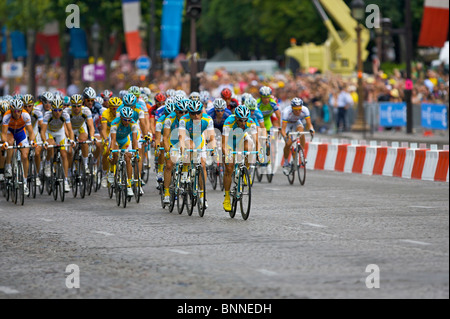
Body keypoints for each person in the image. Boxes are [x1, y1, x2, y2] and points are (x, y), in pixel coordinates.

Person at [178, 100, 216, 209]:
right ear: (188, 113)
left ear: (201, 112)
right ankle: (185, 171)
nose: (196, 115)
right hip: (188, 137)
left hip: (200, 139)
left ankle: (202, 195)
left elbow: (212, 137)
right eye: (193, 113)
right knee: (190, 147)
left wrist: (212, 149)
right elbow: (181, 137)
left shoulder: (207, 119)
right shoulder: (183, 120)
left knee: (203, 165)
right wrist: (183, 151)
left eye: (198, 112)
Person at [221, 105, 258, 212]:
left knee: (249, 147)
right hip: (229, 142)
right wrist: (227, 154)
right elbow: (223, 144)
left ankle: (245, 169)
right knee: (229, 168)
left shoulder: (251, 122)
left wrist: (260, 152)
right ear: (236, 118)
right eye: (240, 120)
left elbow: (257, 141)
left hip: (241, 138)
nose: (243, 123)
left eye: (245, 120)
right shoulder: (229, 122)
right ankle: (227, 197)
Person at [1, 99, 37, 196]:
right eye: (15, 111)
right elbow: (3, 134)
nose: (17, 114)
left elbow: (31, 132)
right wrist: (4, 142)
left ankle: (24, 182)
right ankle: (8, 165)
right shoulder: (7, 116)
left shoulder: (25, 115)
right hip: (10, 132)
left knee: (25, 156)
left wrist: (32, 141)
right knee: (10, 142)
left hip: (21, 133)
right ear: (11, 111)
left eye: (19, 111)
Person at [40, 97, 75, 192]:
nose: (57, 113)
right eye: (55, 110)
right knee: (50, 145)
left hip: (60, 132)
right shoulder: (47, 115)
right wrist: (44, 141)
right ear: (52, 110)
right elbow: (42, 131)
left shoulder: (65, 115)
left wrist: (71, 140)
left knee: (64, 154)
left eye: (60, 110)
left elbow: (70, 130)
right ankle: (47, 163)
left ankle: (66, 180)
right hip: (49, 131)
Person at [161, 99, 189, 203]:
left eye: (186, 112)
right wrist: (168, 151)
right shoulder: (169, 119)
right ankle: (167, 193)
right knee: (169, 165)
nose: (183, 114)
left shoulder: (189, 118)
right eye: (180, 112)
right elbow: (165, 138)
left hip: (185, 141)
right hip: (172, 142)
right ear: (175, 111)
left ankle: (186, 175)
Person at [109, 107, 140, 197]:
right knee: (114, 153)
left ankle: (129, 185)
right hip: (115, 140)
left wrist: (136, 152)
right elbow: (113, 140)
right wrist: (111, 152)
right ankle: (111, 171)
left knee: (128, 158)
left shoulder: (133, 124)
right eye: (125, 120)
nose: (127, 122)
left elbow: (134, 140)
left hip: (125, 140)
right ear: (121, 118)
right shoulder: (115, 123)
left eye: (129, 120)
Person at [280, 98, 315, 176]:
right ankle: (286, 163)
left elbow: (309, 124)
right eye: (295, 109)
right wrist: (286, 138)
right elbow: (283, 129)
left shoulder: (305, 110)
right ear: (292, 108)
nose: (297, 111)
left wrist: (311, 129)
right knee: (288, 143)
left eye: (299, 109)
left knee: (301, 132)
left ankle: (302, 152)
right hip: (287, 124)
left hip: (296, 122)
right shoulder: (286, 112)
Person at [66, 94, 96, 174]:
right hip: (70, 129)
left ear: (82, 104)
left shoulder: (86, 111)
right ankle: (69, 170)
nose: (76, 108)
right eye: (74, 106)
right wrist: (69, 138)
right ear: (71, 105)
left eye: (78, 106)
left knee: (84, 141)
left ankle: (85, 165)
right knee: (69, 151)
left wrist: (92, 137)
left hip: (80, 128)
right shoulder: (67, 111)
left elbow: (91, 126)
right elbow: (65, 128)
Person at [100, 97, 123, 187]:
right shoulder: (105, 113)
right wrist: (105, 139)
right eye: (114, 108)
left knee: (116, 153)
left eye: (118, 107)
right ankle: (104, 174)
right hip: (107, 133)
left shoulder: (121, 113)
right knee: (106, 152)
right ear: (109, 107)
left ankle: (114, 170)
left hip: (117, 133)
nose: (116, 110)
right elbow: (103, 129)